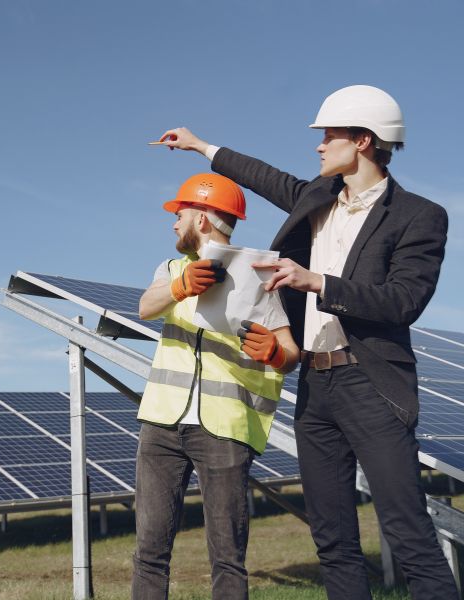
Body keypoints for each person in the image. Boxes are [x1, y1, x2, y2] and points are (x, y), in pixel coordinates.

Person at [155, 85, 457, 599]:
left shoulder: (420, 216)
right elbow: (263, 176)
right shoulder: (316, 198)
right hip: (316, 390)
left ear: (363, 140)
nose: (319, 146)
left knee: (410, 536)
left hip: (372, 386)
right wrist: (201, 146)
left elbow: (403, 300)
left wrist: (316, 281)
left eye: (329, 136)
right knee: (333, 540)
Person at [133, 172, 300, 600]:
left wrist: (276, 354)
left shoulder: (259, 278)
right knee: (149, 549)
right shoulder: (170, 268)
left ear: (203, 219)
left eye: (180, 213)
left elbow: (289, 350)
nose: (173, 223)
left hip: (225, 429)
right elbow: (145, 307)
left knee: (227, 556)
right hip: (161, 426)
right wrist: (179, 287)